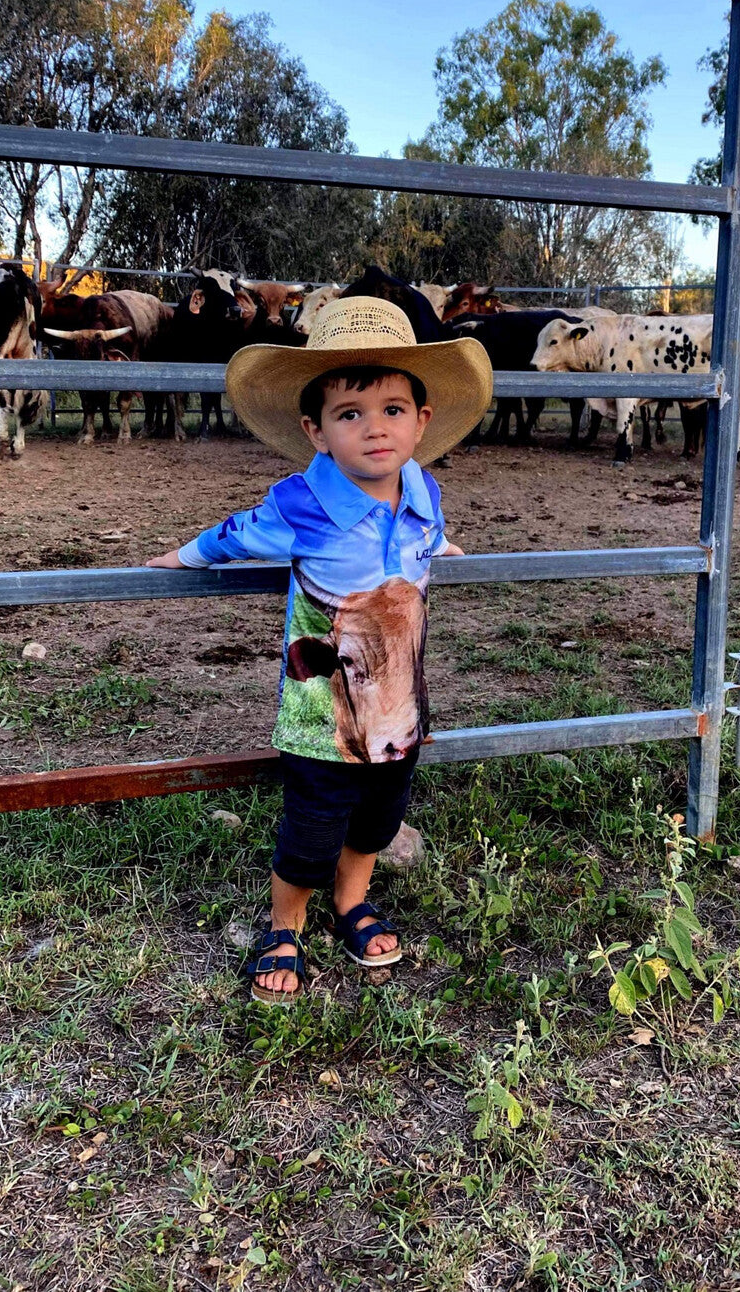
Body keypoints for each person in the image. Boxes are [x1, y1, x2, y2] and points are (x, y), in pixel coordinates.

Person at [146, 295, 492, 1004]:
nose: (374, 429)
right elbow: (236, 533)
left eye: (393, 410)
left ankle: (351, 902)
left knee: (377, 818)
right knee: (310, 829)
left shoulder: (423, 489)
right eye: (350, 414)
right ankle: (286, 924)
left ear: (421, 422)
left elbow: (424, 534)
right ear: (316, 430)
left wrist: (437, 542)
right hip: (320, 713)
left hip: (399, 708)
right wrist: (182, 555)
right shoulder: (301, 503)